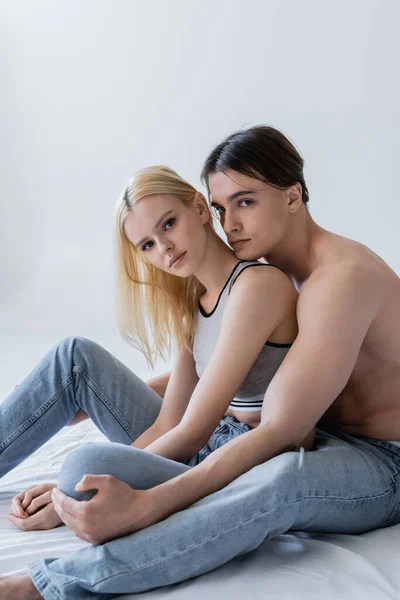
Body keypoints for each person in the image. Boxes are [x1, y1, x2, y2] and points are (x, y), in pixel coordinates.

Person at [1, 127, 400, 599]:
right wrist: (112, 395)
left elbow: (279, 433)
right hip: (269, 432)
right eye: (221, 207)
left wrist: (147, 504)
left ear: (292, 196)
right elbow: (229, 363)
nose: (229, 223)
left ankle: (53, 584)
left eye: (245, 202)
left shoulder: (338, 280)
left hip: (375, 458)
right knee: (75, 359)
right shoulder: (263, 272)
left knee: (284, 477)